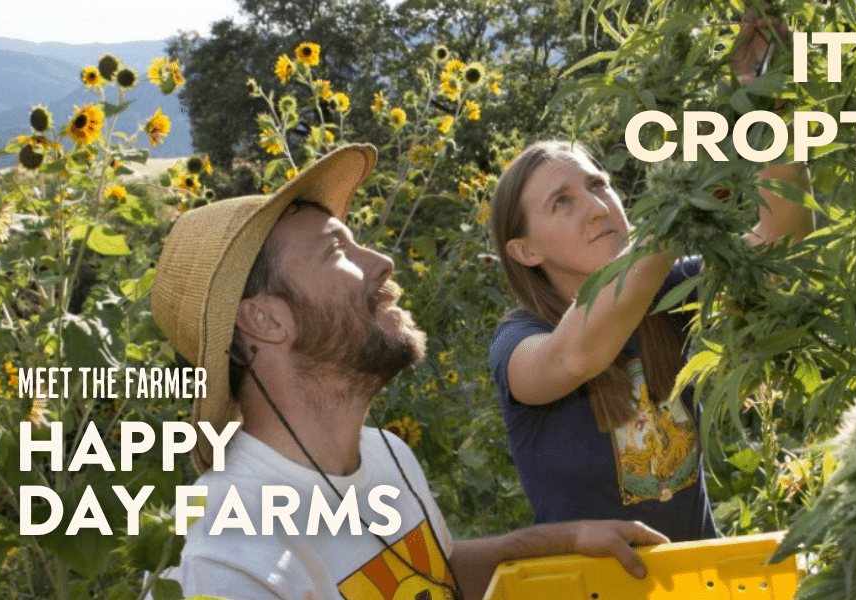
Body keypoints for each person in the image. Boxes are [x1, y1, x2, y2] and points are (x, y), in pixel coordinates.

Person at [150, 143, 669, 600]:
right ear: (264, 319)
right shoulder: (227, 561)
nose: (380, 261)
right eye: (336, 250)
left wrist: (565, 539)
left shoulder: (384, 455)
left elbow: (430, 578)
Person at [487, 10, 813, 543]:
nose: (597, 208)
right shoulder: (518, 343)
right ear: (524, 251)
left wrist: (771, 106)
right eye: (562, 202)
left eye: (599, 185)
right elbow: (576, 355)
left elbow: (784, 245)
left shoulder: (668, 290)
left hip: (695, 577)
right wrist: (676, 211)